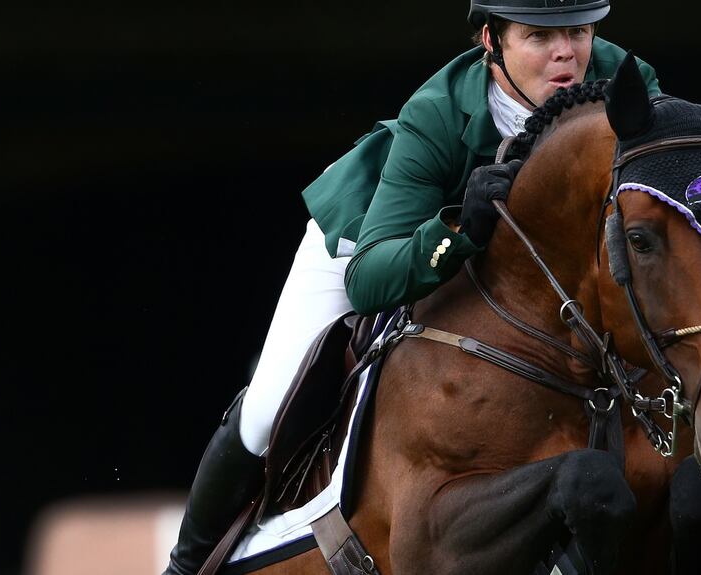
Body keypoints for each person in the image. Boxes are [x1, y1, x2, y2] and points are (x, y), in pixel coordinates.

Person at [162, 2, 660, 573]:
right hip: (372, 240)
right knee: (266, 412)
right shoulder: (438, 112)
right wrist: (456, 229)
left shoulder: (628, 83)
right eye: (539, 36)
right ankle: (186, 563)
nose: (566, 52)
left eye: (577, 31)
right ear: (490, 42)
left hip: (514, 270)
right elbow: (372, 277)